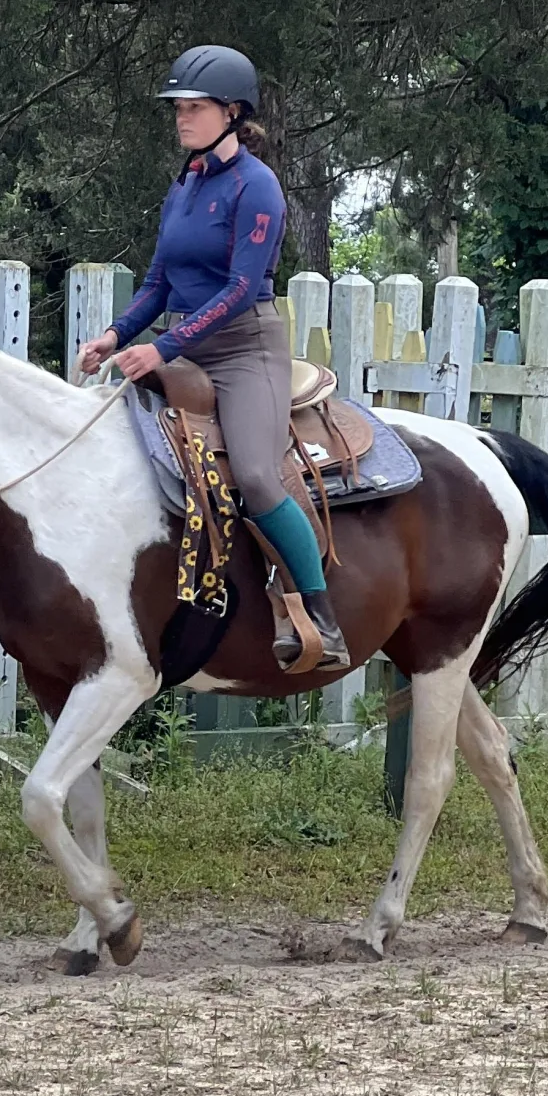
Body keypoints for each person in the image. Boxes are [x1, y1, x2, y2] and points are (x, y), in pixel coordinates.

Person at [79, 45, 350, 670]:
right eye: (178, 108)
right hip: (184, 347)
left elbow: (236, 291)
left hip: (245, 347)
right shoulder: (185, 184)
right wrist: (116, 336)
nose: (181, 118)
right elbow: (158, 282)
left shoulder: (258, 187)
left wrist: (162, 347)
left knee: (255, 476)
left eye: (194, 107)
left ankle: (321, 614)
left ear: (232, 111)